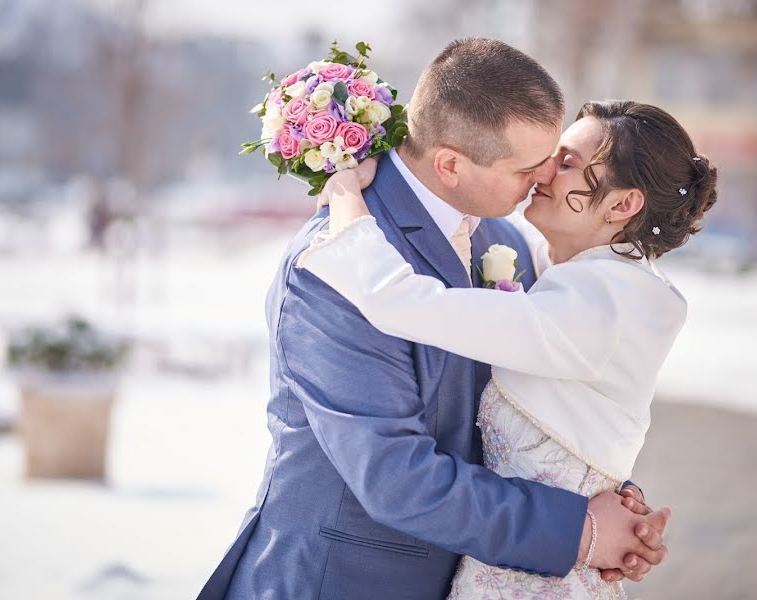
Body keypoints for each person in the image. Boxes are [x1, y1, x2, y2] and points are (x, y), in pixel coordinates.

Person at [197, 39, 670, 600]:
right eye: (530, 165)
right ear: (451, 164)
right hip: (343, 580)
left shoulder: (503, 235)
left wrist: (600, 499)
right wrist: (581, 531)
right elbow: (397, 477)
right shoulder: (336, 265)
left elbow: (532, 405)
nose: (547, 177)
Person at [299, 99, 718, 598]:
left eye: (566, 164)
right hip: (531, 556)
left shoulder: (600, 302)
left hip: (536, 575)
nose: (543, 170)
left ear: (623, 205)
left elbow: (401, 303)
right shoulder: (589, 273)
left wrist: (347, 203)